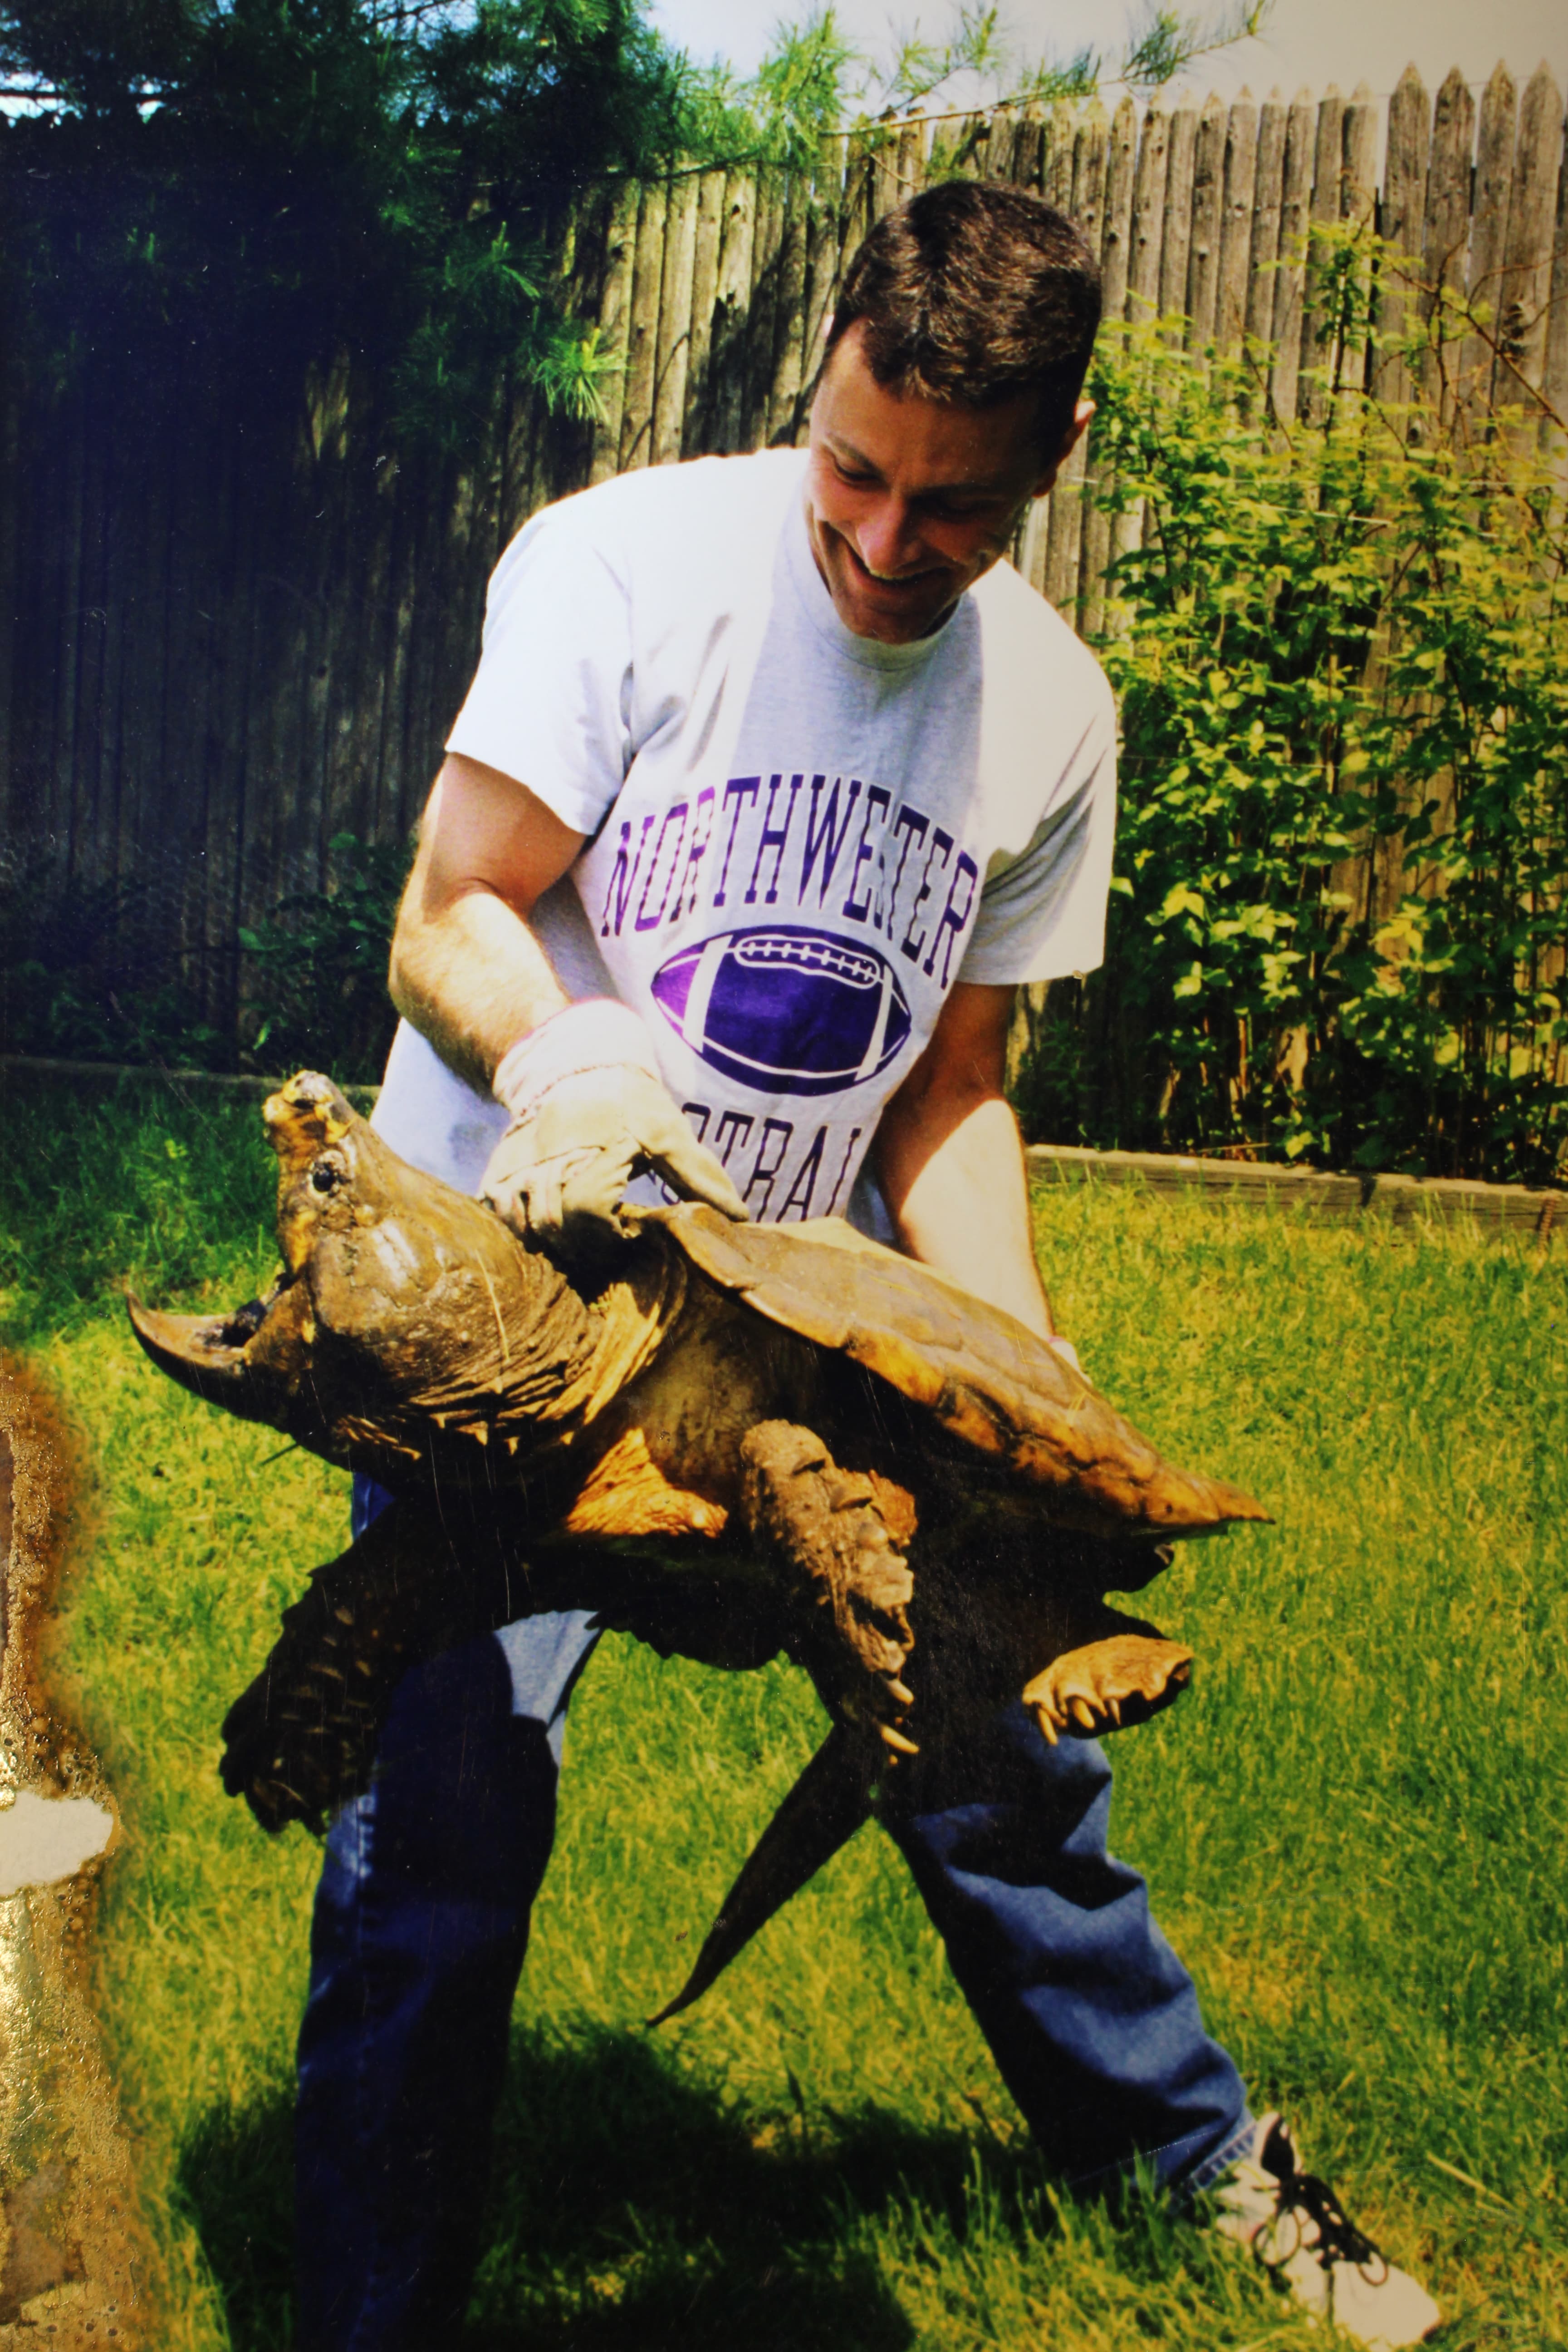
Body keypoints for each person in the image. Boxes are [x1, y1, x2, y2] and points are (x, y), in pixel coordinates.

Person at [292, 180, 1440, 2351]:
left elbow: (949, 1081)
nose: (890, 543)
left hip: (794, 1331)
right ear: (822, 374)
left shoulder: (1052, 714)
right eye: (855, 471)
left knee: (997, 1751)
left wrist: (1006, 1355)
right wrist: (577, 1072)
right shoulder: (622, 567)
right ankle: (370, 2312)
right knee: (435, 1834)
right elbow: (451, 901)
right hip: (523, 1317)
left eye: (957, 509)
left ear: (1055, 455)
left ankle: (1204, 2167)